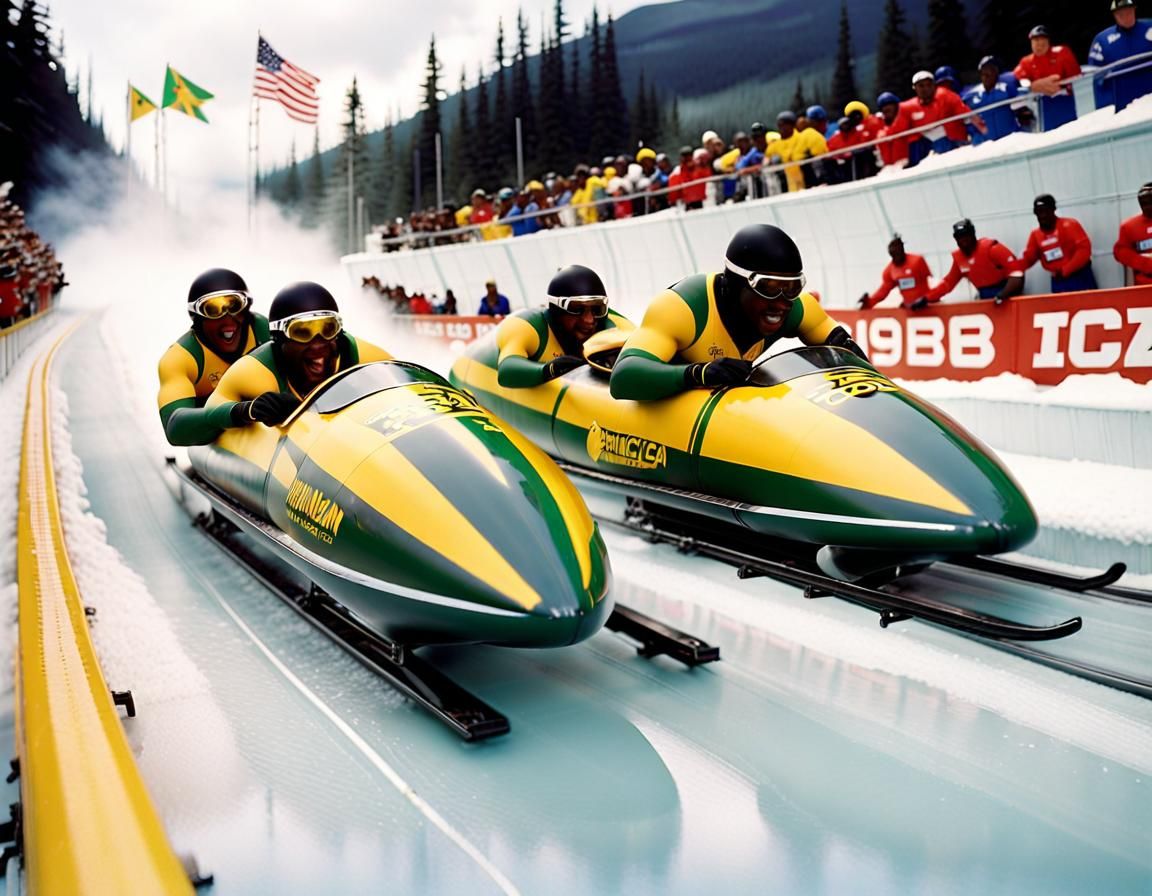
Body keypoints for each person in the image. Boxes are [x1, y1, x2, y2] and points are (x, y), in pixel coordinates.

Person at [609, 224, 867, 401]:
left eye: (791, 287)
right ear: (735, 285)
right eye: (768, 287)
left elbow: (850, 356)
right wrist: (699, 373)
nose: (781, 302)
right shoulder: (681, 309)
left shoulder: (797, 307)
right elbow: (623, 378)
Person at [204, 281, 394, 439]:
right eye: (302, 332)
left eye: (328, 328)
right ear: (279, 339)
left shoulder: (364, 356)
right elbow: (199, 419)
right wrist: (248, 410)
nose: (318, 344)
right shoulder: (254, 372)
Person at [157, 268, 270, 446]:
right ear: (197, 318)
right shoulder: (180, 359)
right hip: (216, 425)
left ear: (246, 309)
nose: (227, 320)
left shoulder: (262, 330)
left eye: (234, 306)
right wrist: (239, 412)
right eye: (213, 309)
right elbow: (174, 428)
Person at [493, 265, 634, 388]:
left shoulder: (620, 329)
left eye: (597, 309)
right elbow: (506, 371)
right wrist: (549, 370)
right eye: (577, 309)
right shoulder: (525, 327)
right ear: (556, 310)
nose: (589, 320)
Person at [924, 219, 1025, 305]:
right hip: (986, 299)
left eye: (966, 235)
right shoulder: (960, 259)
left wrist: (1003, 294)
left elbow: (1017, 272)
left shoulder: (992, 249)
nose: (963, 240)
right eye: (959, 237)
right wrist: (927, 299)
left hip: (1006, 296)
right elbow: (948, 283)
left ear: (973, 234)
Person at [895, 71, 976, 167]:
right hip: (931, 153)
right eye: (921, 85)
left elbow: (968, 117)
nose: (926, 88)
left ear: (934, 85)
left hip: (959, 146)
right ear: (914, 88)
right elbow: (901, 135)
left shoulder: (947, 96)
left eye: (929, 84)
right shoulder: (907, 109)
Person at [1021, 194, 1097, 293]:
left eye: (1045, 211)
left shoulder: (1070, 225)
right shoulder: (1035, 235)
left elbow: (1084, 250)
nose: (1042, 215)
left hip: (1080, 277)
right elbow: (1028, 258)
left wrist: (1065, 270)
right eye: (1039, 212)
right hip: (1058, 281)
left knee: (1088, 306)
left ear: (1053, 209)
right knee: (1062, 307)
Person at [1088, 0, 1152, 112]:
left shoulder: (1150, 27)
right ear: (1114, 15)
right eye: (1120, 14)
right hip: (1123, 106)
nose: (1126, 17)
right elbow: (1095, 76)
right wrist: (1107, 108)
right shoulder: (1102, 40)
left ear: (1134, 10)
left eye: (1128, 12)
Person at [1014, 25, 1081, 130]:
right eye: (1036, 41)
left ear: (1048, 41)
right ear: (1031, 42)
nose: (1039, 45)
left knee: (1071, 129)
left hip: (1064, 99)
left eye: (1042, 41)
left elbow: (1077, 76)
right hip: (1043, 104)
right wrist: (1032, 86)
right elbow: (1017, 81)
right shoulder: (1026, 61)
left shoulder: (1062, 52)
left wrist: (1061, 85)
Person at [858, 235, 934, 309]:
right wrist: (868, 302)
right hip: (910, 308)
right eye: (893, 255)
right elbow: (882, 292)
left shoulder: (917, 261)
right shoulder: (889, 270)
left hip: (926, 305)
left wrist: (928, 299)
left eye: (899, 252)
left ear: (903, 249)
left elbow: (932, 281)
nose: (897, 257)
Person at [963, 56, 1022, 144]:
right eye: (983, 72)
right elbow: (968, 122)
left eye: (989, 71)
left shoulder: (1007, 88)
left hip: (1011, 141)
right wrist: (977, 139)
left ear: (996, 72)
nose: (985, 76)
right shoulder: (972, 97)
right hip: (987, 146)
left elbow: (1023, 113)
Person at [1113, 182, 1152, 285]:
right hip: (1144, 284)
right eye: (1143, 203)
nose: (1147, 207)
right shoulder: (1129, 226)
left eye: (1150, 202)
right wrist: (1145, 263)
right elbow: (1120, 251)